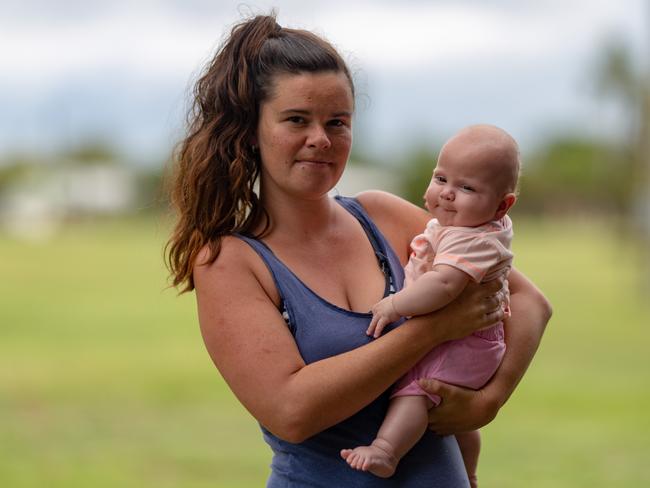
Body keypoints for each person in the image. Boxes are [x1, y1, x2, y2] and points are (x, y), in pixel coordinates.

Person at [165, 13, 552, 488]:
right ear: (251, 130)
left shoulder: (383, 217)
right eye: (296, 120)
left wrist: (490, 400)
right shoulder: (229, 260)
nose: (321, 139)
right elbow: (292, 411)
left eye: (337, 122)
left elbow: (530, 302)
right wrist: (433, 330)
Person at [341, 124, 520, 486]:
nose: (448, 194)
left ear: (502, 204)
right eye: (441, 179)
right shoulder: (462, 227)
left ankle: (386, 450)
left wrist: (394, 305)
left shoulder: (471, 239)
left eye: (467, 187)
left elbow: (443, 284)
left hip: (464, 342)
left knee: (419, 392)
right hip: (473, 342)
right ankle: (468, 472)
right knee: (454, 417)